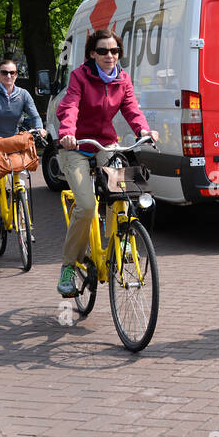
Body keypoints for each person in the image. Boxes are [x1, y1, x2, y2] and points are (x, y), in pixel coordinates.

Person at [54, 29, 158, 298]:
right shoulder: (80, 76)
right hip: (76, 145)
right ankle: (68, 266)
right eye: (103, 51)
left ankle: (119, 242)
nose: (110, 55)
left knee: (121, 192)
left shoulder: (122, 79)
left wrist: (143, 131)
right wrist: (67, 132)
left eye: (114, 51)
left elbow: (131, 108)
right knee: (87, 206)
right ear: (92, 54)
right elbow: (70, 106)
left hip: (106, 142)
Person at [0, 58, 44, 213]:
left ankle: (21, 214)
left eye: (12, 72)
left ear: (16, 75)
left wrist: (39, 128)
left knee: (19, 172)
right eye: (4, 72)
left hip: (12, 142)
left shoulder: (23, 94)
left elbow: (35, 116)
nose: (8, 76)